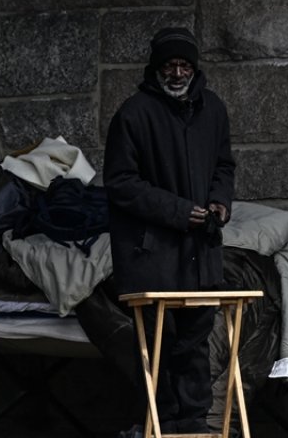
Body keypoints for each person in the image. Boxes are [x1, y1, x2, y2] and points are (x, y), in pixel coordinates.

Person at [104, 27, 235, 435]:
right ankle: (161, 425)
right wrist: (181, 212)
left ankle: (192, 425)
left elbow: (224, 165)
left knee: (196, 341)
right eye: (170, 66)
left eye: (184, 66)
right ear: (157, 68)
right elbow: (121, 183)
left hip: (200, 252)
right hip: (152, 255)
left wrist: (219, 201)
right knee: (159, 346)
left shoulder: (212, 109)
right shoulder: (133, 114)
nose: (177, 73)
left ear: (194, 69)